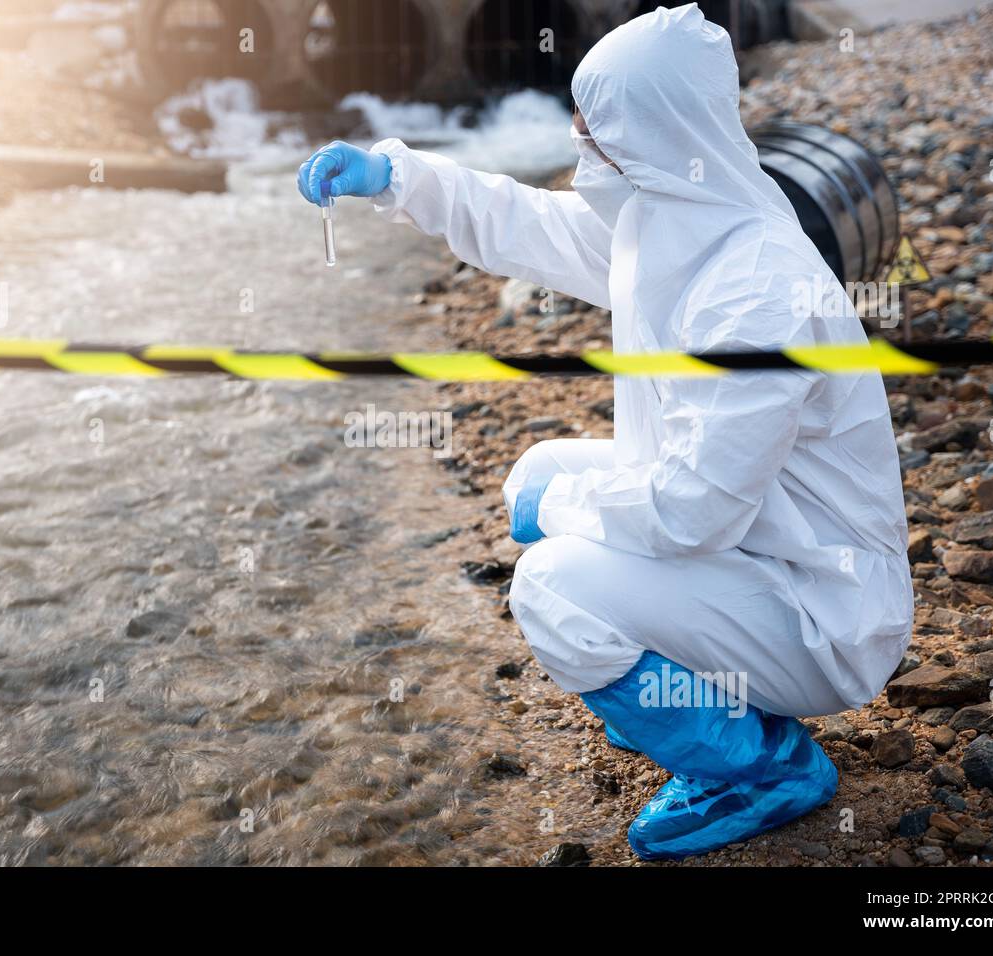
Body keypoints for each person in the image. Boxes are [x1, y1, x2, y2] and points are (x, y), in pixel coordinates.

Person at [296, 3, 911, 860]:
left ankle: (759, 765)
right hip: (765, 540)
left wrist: (569, 509)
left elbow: (692, 512)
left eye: (593, 134)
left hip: (822, 611)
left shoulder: (755, 293)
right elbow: (535, 227)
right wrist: (395, 177)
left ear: (653, 134)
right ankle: (697, 693)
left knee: (552, 584)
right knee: (535, 470)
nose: (580, 148)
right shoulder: (680, 219)